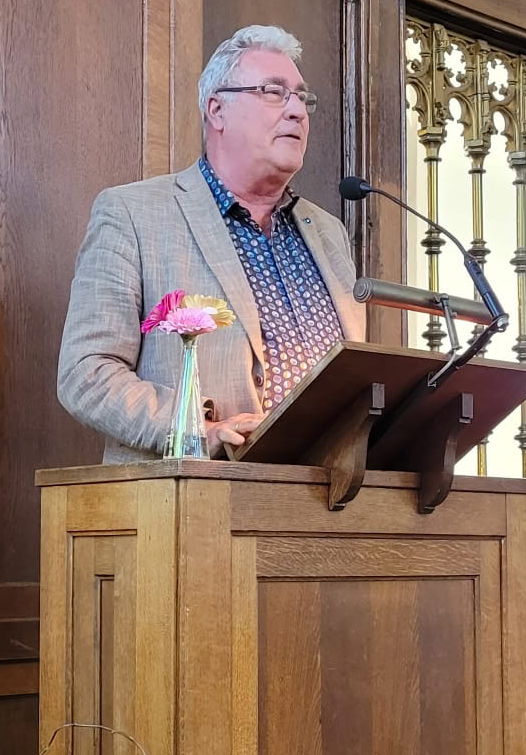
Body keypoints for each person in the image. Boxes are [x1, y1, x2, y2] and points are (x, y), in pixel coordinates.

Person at [57, 25, 364, 459]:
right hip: (199, 490)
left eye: (302, 97)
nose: (297, 110)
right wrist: (199, 430)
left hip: (327, 492)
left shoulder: (328, 232)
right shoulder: (133, 215)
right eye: (274, 92)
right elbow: (86, 374)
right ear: (217, 110)